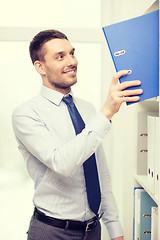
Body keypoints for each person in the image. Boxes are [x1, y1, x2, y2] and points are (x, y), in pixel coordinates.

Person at [12, 29, 142, 240]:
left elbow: (100, 175)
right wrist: (107, 111)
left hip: (93, 231)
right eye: (60, 56)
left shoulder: (88, 109)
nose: (71, 61)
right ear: (40, 67)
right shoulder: (26, 114)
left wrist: (115, 229)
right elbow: (62, 162)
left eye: (72, 53)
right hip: (51, 232)